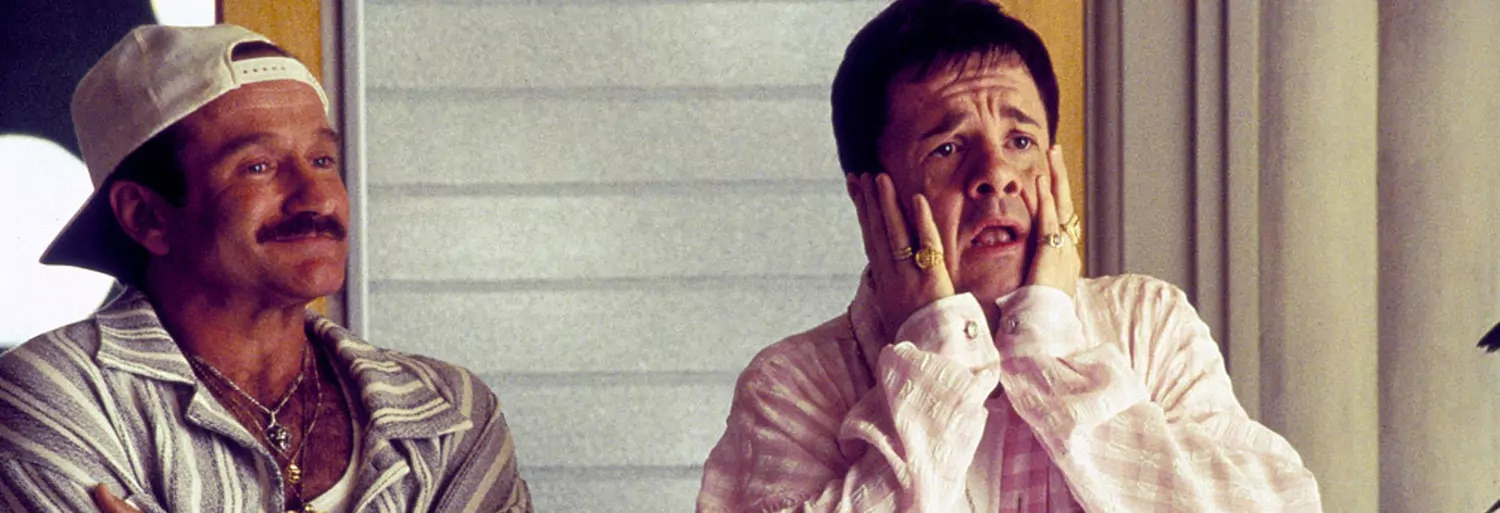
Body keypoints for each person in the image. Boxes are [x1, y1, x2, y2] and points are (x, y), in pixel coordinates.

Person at [697, 0, 1321, 510]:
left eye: (1020, 141)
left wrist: (1047, 343)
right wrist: (937, 352)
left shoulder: (1147, 325)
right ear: (868, 199)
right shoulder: (792, 387)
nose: (996, 175)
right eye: (947, 149)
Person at [0, 24, 531, 512]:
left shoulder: (450, 413)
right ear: (147, 216)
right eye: (259, 166)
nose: (317, 198)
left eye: (322, 160)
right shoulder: (55, 398)